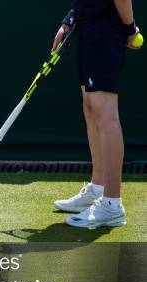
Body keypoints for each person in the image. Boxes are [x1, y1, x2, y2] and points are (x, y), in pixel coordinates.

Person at [52, 0, 142, 228]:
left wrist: (129, 29)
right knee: (91, 108)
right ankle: (98, 188)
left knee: (105, 114)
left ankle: (112, 204)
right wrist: (70, 19)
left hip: (105, 29)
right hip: (89, 25)